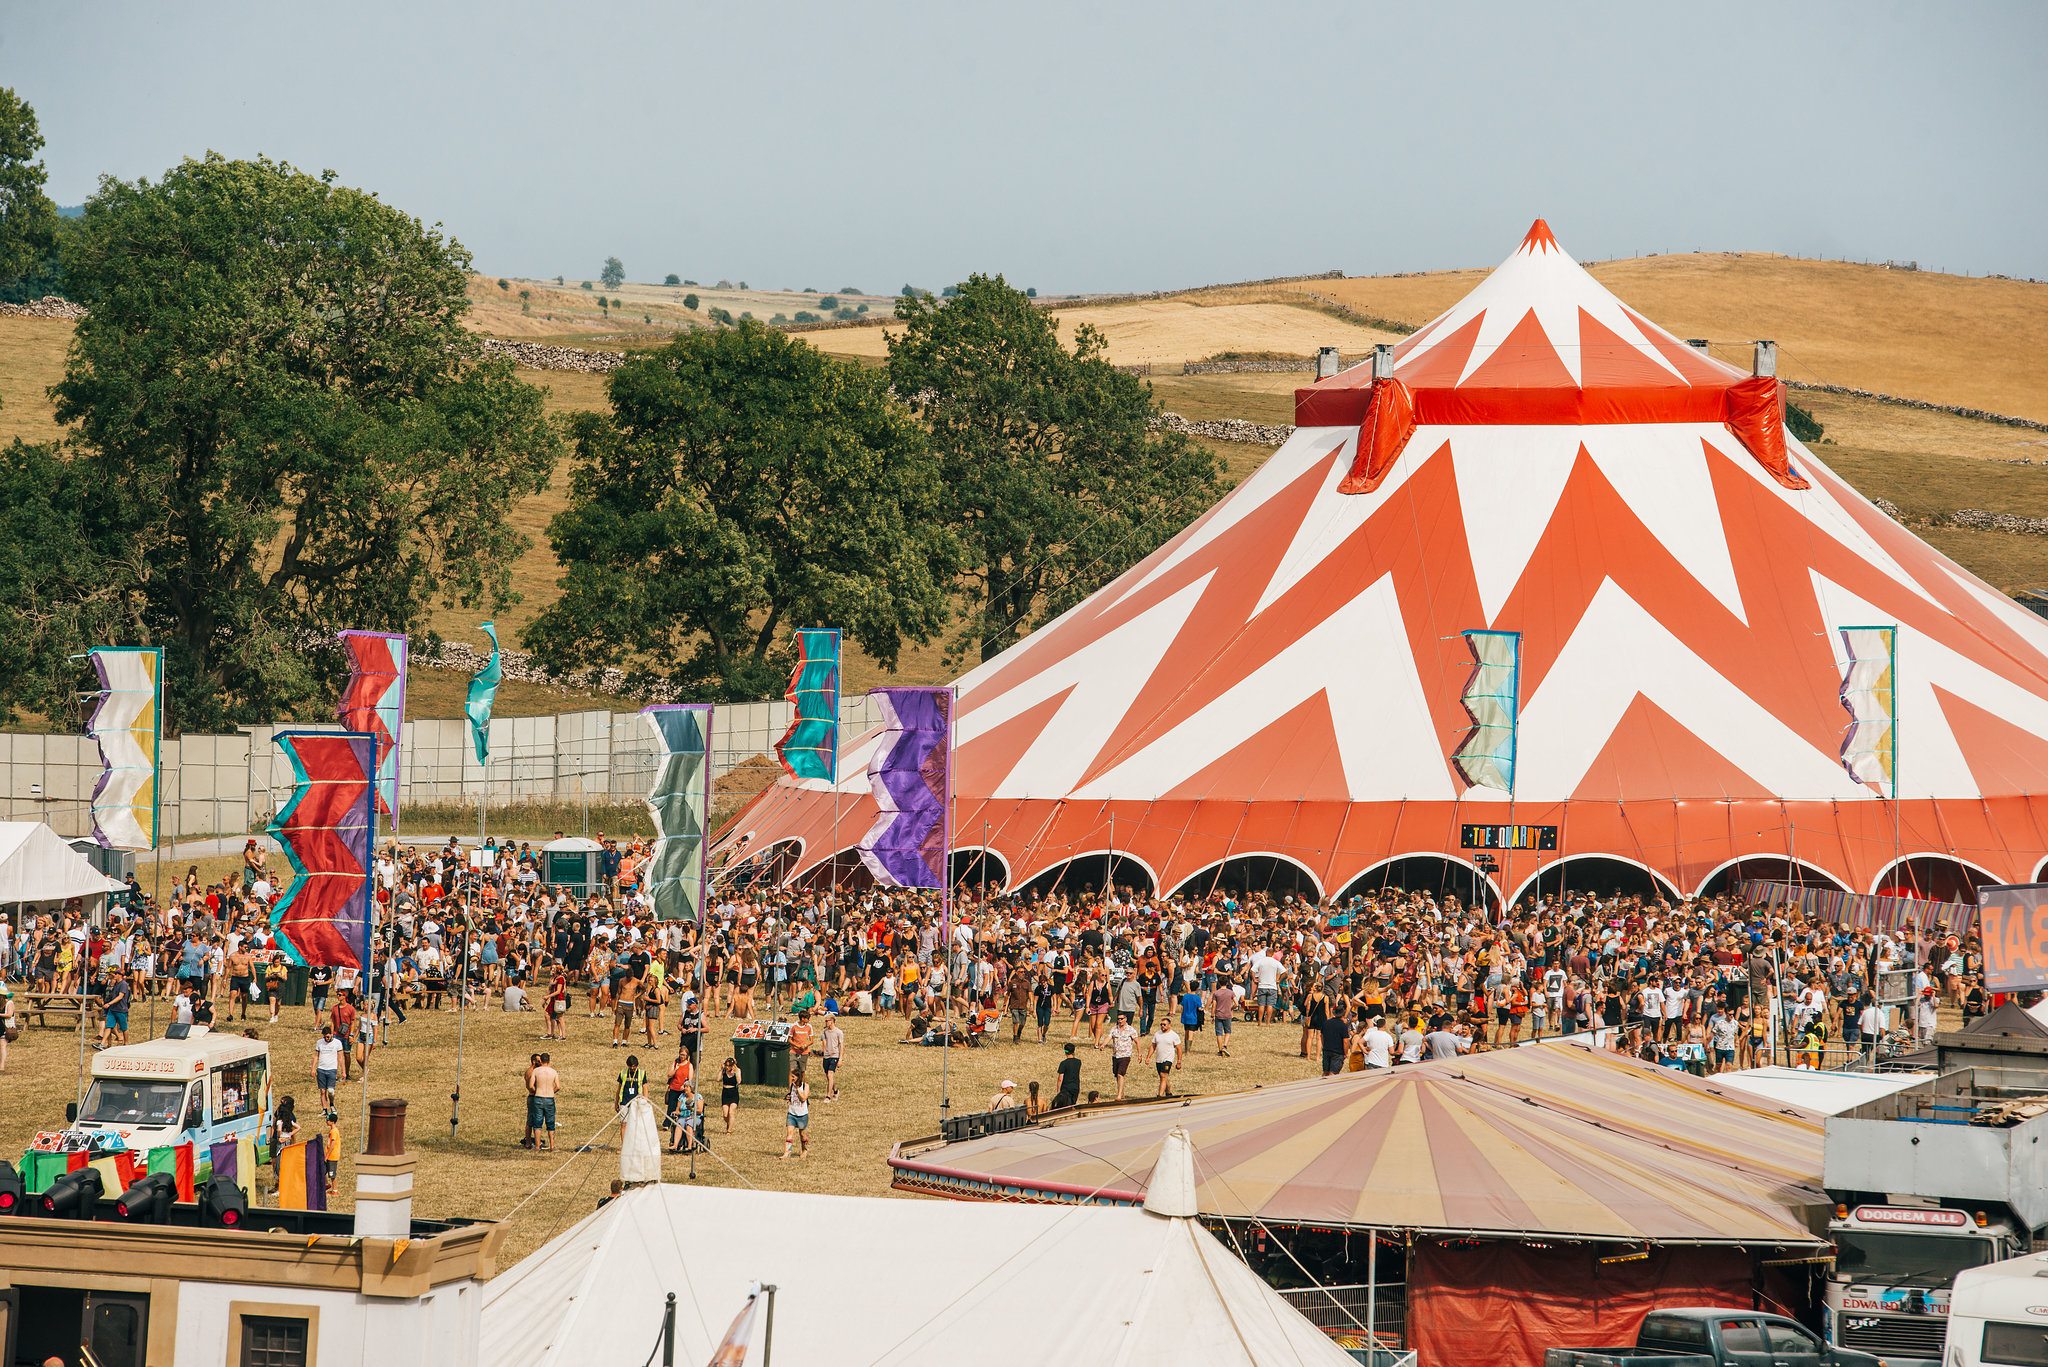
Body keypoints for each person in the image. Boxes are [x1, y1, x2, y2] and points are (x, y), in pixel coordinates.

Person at [529, 1053, 560, 1151]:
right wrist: (552, 1091)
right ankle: (552, 1146)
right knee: (550, 1123)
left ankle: (537, 1146)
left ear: (541, 1061)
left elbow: (530, 1086)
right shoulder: (553, 1072)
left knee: (537, 1123)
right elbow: (558, 1086)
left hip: (538, 1097)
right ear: (549, 1061)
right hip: (549, 1098)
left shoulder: (536, 1071)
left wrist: (536, 1090)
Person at [1106, 1012, 1140, 1101]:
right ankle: (1122, 1093)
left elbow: (1137, 1041)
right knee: (1117, 1075)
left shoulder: (1131, 1030)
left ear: (1126, 1019)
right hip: (1116, 1055)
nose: (1120, 1020)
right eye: (1118, 1019)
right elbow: (1109, 1037)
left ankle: (1119, 1095)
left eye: (1122, 1019)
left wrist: (1139, 1054)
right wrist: (1103, 1044)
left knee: (1120, 1074)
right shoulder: (1114, 1029)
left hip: (1125, 1055)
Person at [780, 1063, 811, 1160]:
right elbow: (791, 1096)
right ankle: (787, 1152)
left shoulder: (805, 1086)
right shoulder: (791, 1086)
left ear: (798, 1077)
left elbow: (804, 1098)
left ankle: (804, 1150)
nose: (792, 1078)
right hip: (792, 1114)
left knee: (802, 1135)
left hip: (802, 1115)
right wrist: (788, 1097)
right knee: (789, 1133)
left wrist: (798, 1090)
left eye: (793, 1077)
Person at [1146, 1021, 1182, 1097]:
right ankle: (1168, 1093)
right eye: (1161, 1024)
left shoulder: (1174, 1035)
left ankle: (1160, 1095)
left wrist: (1179, 1061)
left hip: (1168, 1059)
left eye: (1164, 1024)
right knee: (1163, 1077)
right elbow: (1153, 1046)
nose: (1162, 1026)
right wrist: (1148, 1057)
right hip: (1159, 1059)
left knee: (1163, 1075)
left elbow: (1179, 1049)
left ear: (1169, 1025)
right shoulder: (1157, 1034)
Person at [313, 1024, 344, 1108]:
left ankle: (331, 1104)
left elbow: (340, 1058)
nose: (326, 1038)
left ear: (331, 1034)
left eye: (327, 1037)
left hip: (332, 1069)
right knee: (322, 1091)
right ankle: (325, 1109)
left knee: (330, 1090)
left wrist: (343, 1071)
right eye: (324, 1037)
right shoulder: (319, 1042)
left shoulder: (337, 1043)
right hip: (321, 1069)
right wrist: (313, 1068)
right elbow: (316, 1056)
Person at [1316, 1009, 1353, 1077]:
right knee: (1333, 1074)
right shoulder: (1343, 1026)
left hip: (1326, 1049)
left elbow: (1322, 1036)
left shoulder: (1326, 1023)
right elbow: (1345, 1041)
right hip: (1338, 1052)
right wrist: (1346, 1053)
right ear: (1343, 1015)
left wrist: (1324, 1046)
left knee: (1325, 1072)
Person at [819, 1011, 845, 1102]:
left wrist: (840, 1058)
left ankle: (828, 1096)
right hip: (826, 1056)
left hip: (835, 1055)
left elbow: (841, 1045)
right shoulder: (824, 1032)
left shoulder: (839, 1032)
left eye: (827, 1021)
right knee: (828, 1077)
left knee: (830, 1074)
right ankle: (835, 1090)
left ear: (832, 1021)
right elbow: (824, 1043)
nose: (826, 1022)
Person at [1052, 1041, 1082, 1109]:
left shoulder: (1063, 1063)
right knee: (1073, 1105)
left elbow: (1060, 1078)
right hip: (1076, 1087)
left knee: (1065, 1107)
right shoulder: (1078, 1062)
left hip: (1066, 1088)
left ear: (1065, 1051)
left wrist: (1058, 1091)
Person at [719, 1056, 741, 1133]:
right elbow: (718, 1079)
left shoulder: (737, 1071)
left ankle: (729, 1131)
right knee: (725, 1115)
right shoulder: (724, 1071)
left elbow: (739, 1081)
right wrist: (721, 1069)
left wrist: (735, 1072)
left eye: (729, 1066)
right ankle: (729, 1123)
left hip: (733, 1093)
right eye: (726, 1065)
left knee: (731, 1112)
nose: (727, 1067)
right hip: (725, 1093)